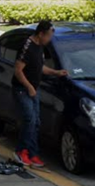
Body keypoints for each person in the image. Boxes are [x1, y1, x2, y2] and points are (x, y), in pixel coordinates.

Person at [12, 20, 67, 168]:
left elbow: (39, 67)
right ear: (41, 34)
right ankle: (21, 151)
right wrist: (29, 87)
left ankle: (32, 153)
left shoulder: (40, 47)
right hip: (22, 89)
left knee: (36, 122)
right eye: (48, 36)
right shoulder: (27, 46)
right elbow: (18, 70)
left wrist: (56, 72)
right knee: (29, 119)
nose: (49, 40)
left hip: (33, 89)